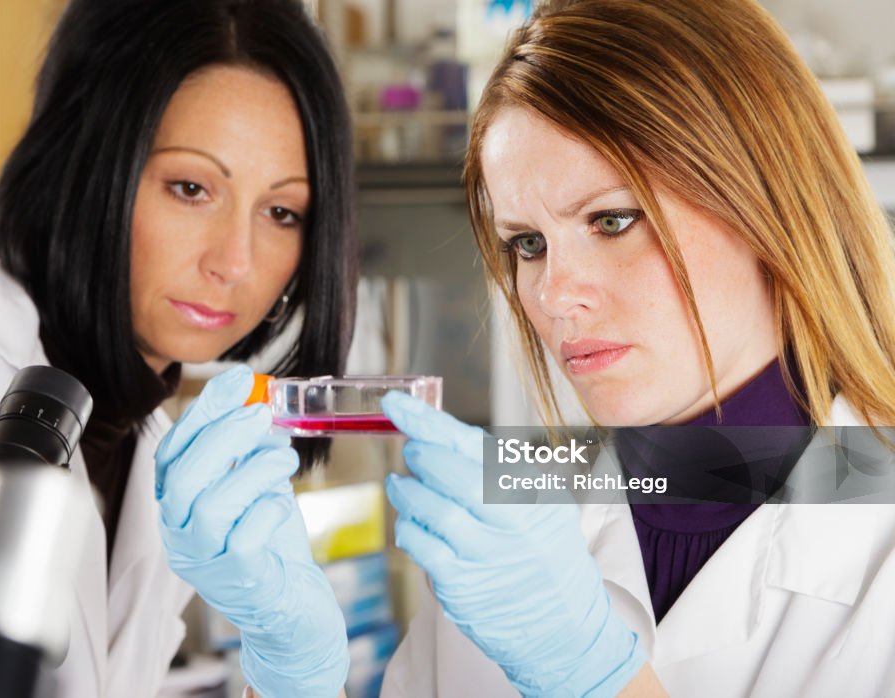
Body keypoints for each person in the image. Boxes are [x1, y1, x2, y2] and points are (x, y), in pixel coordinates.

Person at [376, 0, 895, 696]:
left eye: (613, 219)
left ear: (765, 201)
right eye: (527, 243)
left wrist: (592, 675)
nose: (555, 295)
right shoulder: (506, 535)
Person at [0, 0, 356, 696]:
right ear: (89, 163)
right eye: (191, 188)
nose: (235, 261)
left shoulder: (159, 466)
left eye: (282, 211)